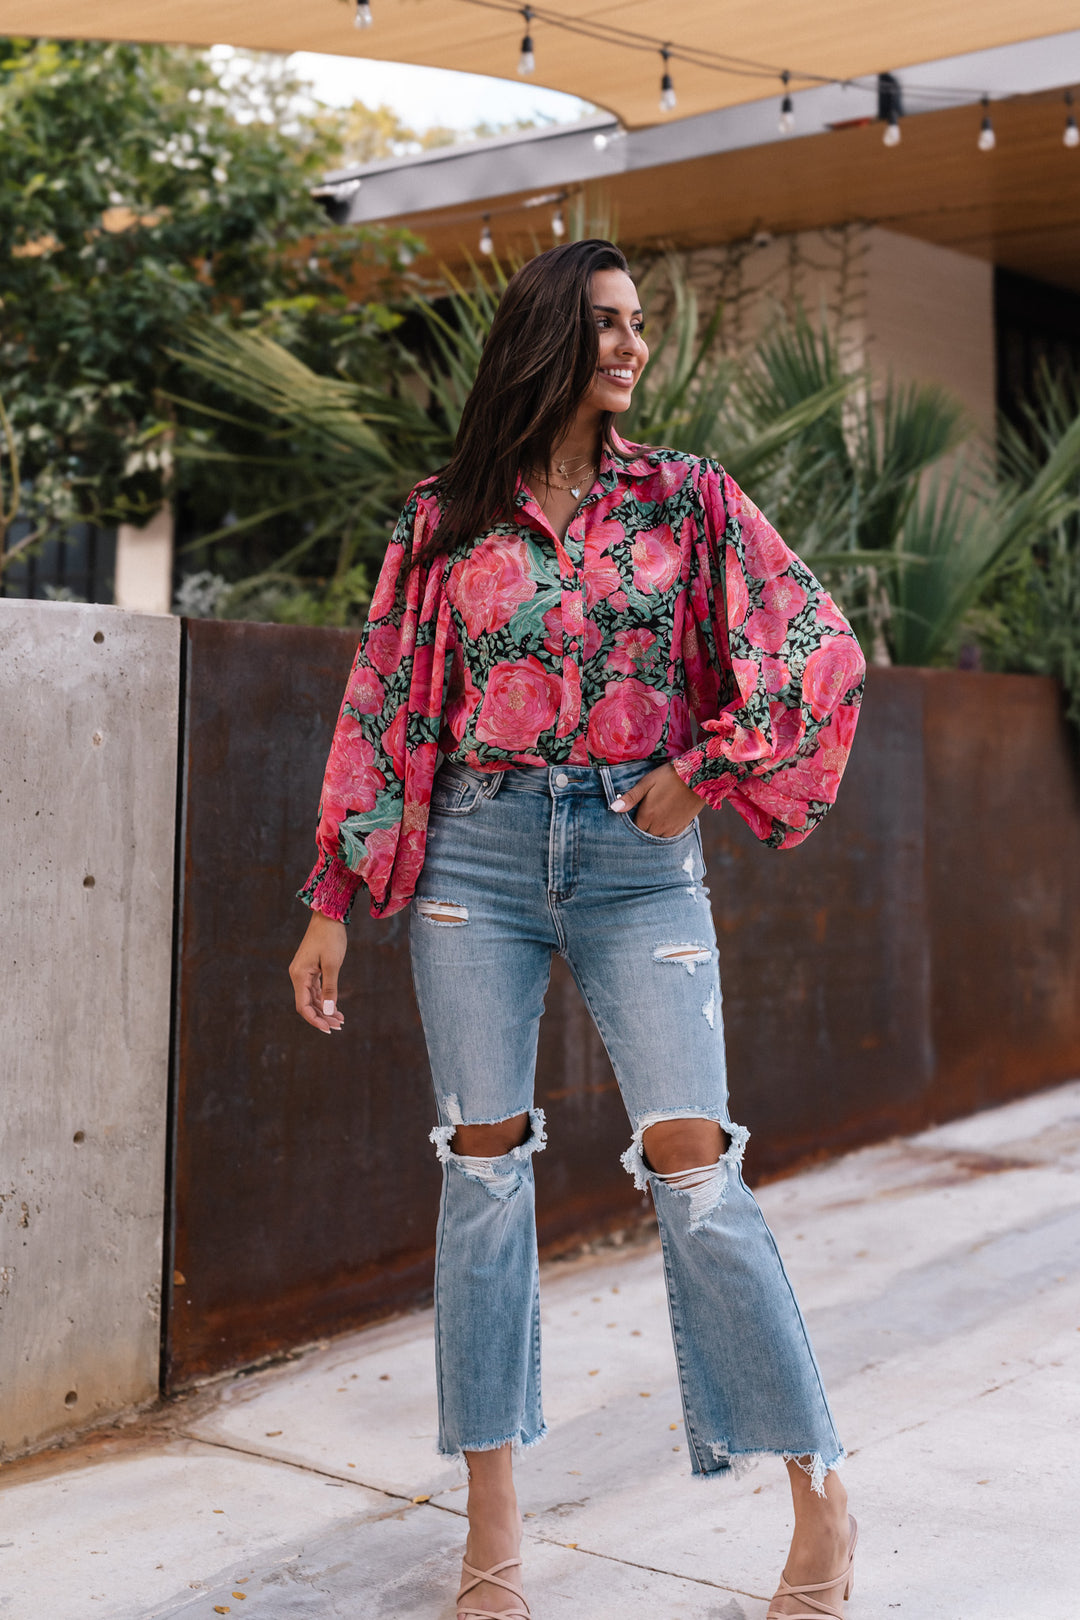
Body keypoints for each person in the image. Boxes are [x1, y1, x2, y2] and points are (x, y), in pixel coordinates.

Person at [289, 240, 865, 1620]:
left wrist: (701, 770)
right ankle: (492, 1548)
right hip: (472, 865)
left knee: (696, 1171)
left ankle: (821, 1495)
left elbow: (817, 648)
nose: (632, 346)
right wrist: (329, 902)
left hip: (637, 860)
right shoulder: (447, 519)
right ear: (551, 333)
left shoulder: (689, 500)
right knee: (481, 1182)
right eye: (608, 323)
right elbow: (385, 705)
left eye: (640, 326)